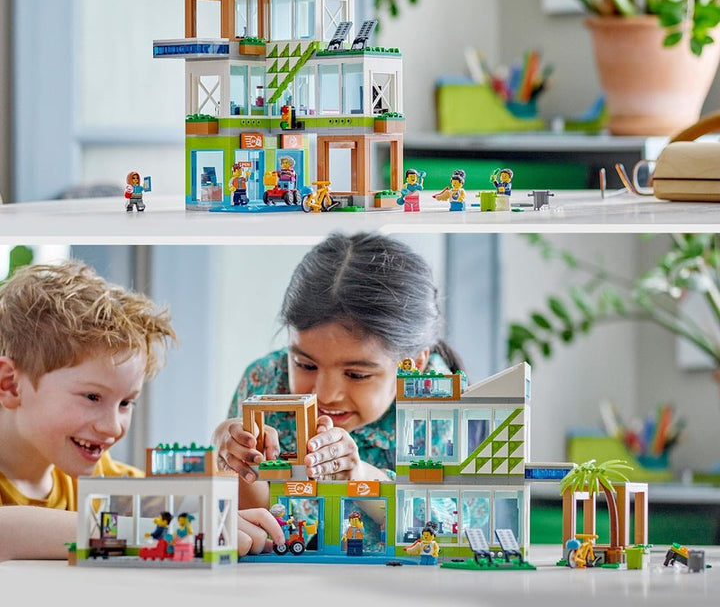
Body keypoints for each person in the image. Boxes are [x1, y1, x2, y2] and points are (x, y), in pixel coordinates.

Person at [0, 261, 284, 561]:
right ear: (11, 385)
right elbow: (7, 531)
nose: (112, 427)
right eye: (92, 397)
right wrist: (171, 533)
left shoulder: (102, 476)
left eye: (126, 403)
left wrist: (233, 466)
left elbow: (191, 507)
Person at [212, 232, 464, 508]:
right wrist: (234, 464)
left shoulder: (438, 403)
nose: (326, 395)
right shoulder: (264, 383)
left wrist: (360, 478)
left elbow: (452, 522)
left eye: (356, 375)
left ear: (413, 364)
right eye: (305, 365)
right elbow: (253, 519)